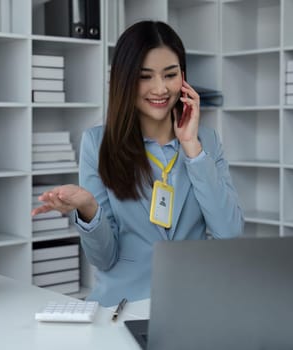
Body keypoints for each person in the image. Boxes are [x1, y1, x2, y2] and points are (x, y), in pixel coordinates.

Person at [32, 20, 244, 307]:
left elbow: (230, 235)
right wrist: (88, 208)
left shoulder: (207, 141)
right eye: (145, 76)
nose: (160, 89)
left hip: (193, 302)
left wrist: (193, 149)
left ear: (183, 77)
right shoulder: (98, 143)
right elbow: (103, 259)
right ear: (125, 79)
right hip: (124, 304)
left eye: (170, 75)